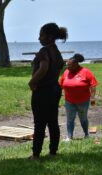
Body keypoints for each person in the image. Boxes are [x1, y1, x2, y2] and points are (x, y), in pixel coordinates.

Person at [28, 23, 68, 160]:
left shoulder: (44, 51)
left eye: (41, 35)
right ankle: (53, 152)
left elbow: (44, 68)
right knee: (52, 121)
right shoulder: (56, 51)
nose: (39, 38)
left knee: (39, 123)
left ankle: (36, 154)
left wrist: (32, 81)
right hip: (54, 89)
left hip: (43, 90)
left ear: (49, 37)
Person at [60, 54, 98, 141]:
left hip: (83, 101)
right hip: (69, 101)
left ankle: (86, 134)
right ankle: (69, 137)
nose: (68, 67)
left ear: (76, 64)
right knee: (70, 119)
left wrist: (92, 98)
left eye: (70, 65)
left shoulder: (86, 72)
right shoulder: (66, 72)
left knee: (83, 118)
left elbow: (93, 85)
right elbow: (61, 85)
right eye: (67, 65)